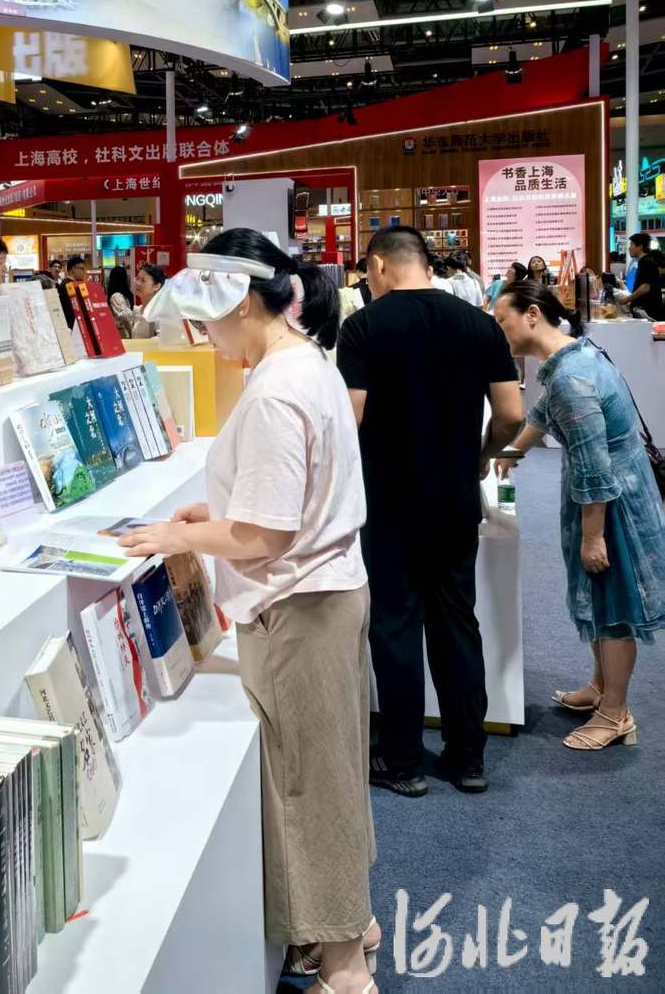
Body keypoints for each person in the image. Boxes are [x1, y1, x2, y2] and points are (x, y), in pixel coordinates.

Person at [119, 229, 379, 994]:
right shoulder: (306, 364)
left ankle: (345, 969)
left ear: (239, 303)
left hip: (299, 608)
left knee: (310, 785)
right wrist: (217, 512)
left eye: (206, 320)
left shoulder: (273, 391)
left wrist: (179, 536)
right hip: (325, 593)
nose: (204, 337)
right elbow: (292, 497)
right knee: (331, 771)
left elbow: (266, 535)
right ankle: (350, 925)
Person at [337, 227, 523, 796]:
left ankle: (403, 761)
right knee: (456, 622)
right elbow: (512, 415)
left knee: (395, 627)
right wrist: (482, 454)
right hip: (454, 500)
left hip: (388, 503)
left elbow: (351, 418)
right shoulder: (480, 324)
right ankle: (468, 757)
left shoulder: (363, 327)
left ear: (379, 266)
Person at [493, 280, 665, 749]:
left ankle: (616, 714)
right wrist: (513, 451)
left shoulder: (572, 377)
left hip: (611, 503)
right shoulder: (572, 357)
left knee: (613, 608)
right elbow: (543, 412)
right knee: (599, 598)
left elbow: (594, 467)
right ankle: (602, 686)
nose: (499, 330)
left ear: (532, 315)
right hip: (608, 494)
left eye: (503, 320)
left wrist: (593, 536)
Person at [616, 232, 664, 319]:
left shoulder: (646, 262)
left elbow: (645, 287)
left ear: (640, 247)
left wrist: (626, 299)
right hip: (646, 310)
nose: (629, 248)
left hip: (649, 311)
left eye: (632, 244)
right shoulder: (644, 261)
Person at [134, 262, 167, 337]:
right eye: (137, 279)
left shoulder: (160, 311)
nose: (138, 283)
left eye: (143, 280)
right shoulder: (137, 310)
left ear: (156, 286)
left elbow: (162, 338)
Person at [58, 255, 89, 328]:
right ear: (73, 269)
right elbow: (72, 309)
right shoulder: (70, 285)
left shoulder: (65, 283)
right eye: (81, 269)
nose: (83, 272)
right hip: (73, 325)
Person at [106, 265, 136, 337]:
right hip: (123, 332)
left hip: (124, 331)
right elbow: (126, 316)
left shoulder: (119, 295)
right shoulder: (117, 296)